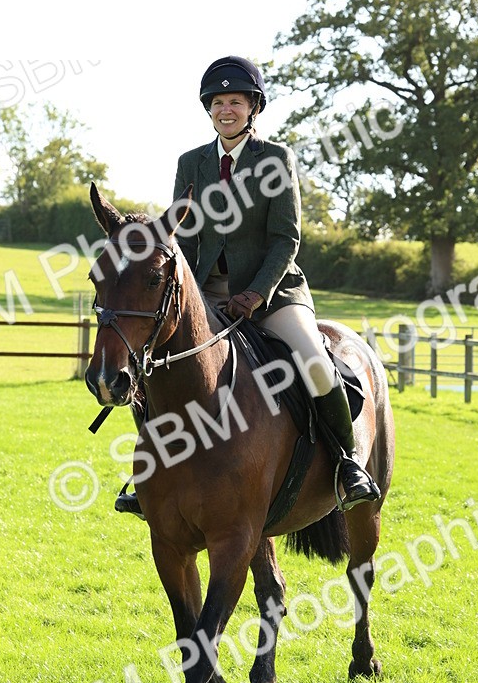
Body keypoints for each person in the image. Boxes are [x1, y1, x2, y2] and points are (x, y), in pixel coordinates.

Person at [115, 54, 380, 518]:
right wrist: (191, 295)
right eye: (218, 102)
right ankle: (148, 476)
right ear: (209, 109)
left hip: (273, 292)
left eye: (236, 101)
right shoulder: (191, 163)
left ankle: (347, 463)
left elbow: (286, 239)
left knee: (316, 361)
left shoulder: (276, 159)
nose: (226, 110)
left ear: (253, 107)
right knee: (155, 368)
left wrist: (256, 293)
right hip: (207, 294)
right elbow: (185, 234)